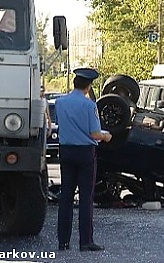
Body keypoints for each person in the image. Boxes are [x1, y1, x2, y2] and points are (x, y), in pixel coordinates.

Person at [55, 68, 112, 252]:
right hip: (85, 153)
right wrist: (106, 136)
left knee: (66, 197)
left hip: (66, 152)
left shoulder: (60, 102)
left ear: (74, 84)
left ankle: (63, 241)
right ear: (88, 87)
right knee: (86, 197)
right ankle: (85, 241)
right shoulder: (90, 106)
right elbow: (94, 134)